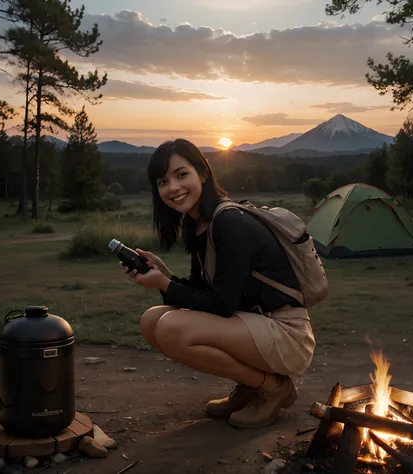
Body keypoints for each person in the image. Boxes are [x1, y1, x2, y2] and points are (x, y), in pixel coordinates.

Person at [123, 138, 316, 429]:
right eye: (163, 181)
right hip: (252, 325)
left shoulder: (229, 222)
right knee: (152, 321)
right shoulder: (198, 223)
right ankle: (249, 385)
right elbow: (208, 292)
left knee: (171, 327)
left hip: (286, 333)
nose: (173, 188)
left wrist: (165, 283)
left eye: (181, 174)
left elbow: (221, 305)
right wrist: (165, 277)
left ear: (202, 173)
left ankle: (272, 388)